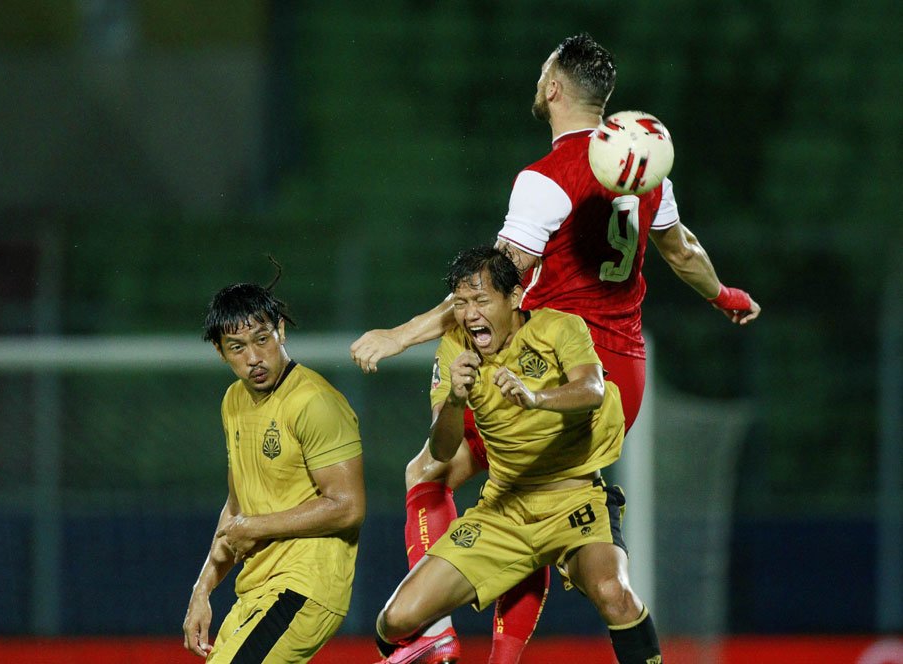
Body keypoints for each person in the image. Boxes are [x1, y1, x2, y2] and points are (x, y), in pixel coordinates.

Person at [351, 32, 760, 663]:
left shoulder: (545, 179)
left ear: (552, 88)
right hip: (623, 378)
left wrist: (398, 335)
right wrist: (725, 295)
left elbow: (491, 288)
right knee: (544, 508)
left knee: (432, 472)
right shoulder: (640, 164)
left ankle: (432, 635)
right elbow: (682, 250)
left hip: (556, 364)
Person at [375, 246, 662, 664]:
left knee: (612, 592)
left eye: (481, 300)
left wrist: (535, 397)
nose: (470, 314)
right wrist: (456, 400)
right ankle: (433, 643)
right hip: (504, 511)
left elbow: (592, 390)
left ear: (513, 298)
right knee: (394, 621)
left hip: (575, 501)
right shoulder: (455, 349)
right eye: (461, 303)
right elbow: (441, 449)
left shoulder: (559, 328)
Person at [182, 281, 366, 663]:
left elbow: (348, 506)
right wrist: (202, 591)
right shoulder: (233, 401)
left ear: (280, 330)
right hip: (256, 591)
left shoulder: (314, 401)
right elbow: (237, 507)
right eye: (237, 348)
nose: (254, 357)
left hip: (305, 586)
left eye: (262, 339)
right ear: (220, 352)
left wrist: (256, 526)